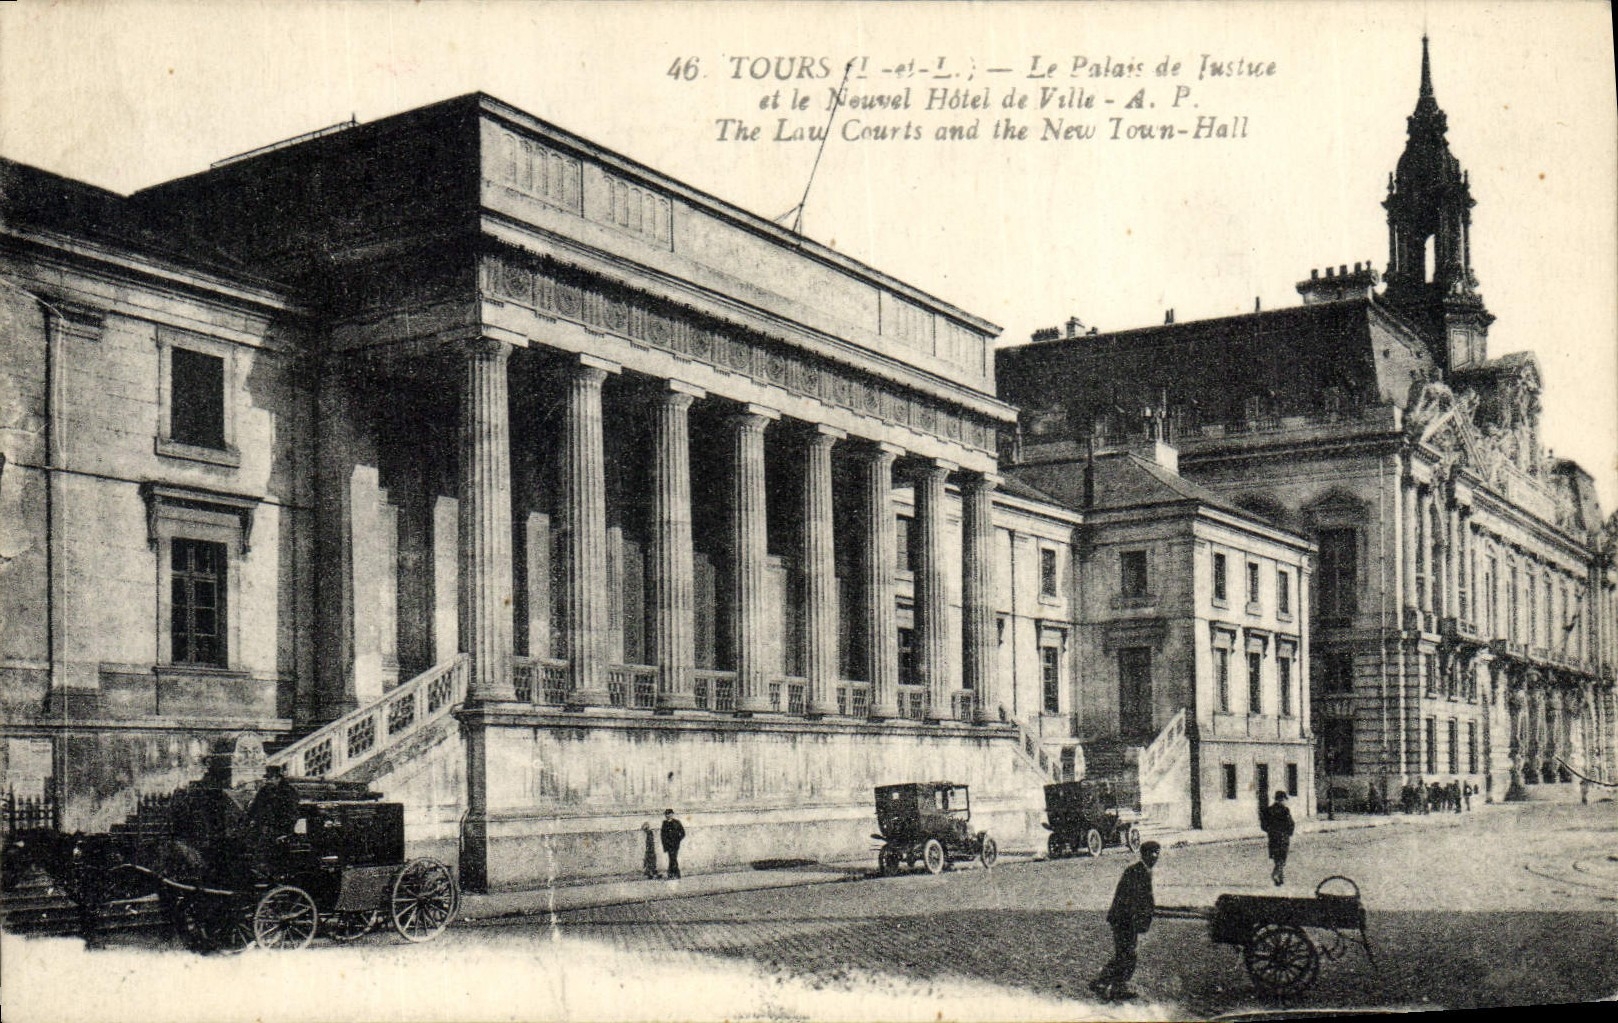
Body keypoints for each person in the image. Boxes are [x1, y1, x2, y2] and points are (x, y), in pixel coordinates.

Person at [1089, 840, 1160, 1001]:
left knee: (1126, 954)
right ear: (1143, 854)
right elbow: (1129, 900)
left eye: (1157, 852)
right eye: (1151, 853)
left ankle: (1113, 985)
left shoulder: (1143, 870)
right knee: (1127, 955)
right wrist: (1139, 919)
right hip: (1124, 920)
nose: (1155, 856)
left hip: (1127, 919)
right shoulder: (1136, 872)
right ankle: (1106, 983)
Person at [1259, 790, 1294, 886]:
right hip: (1283, 837)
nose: (1285, 801)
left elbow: (1263, 825)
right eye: (1284, 799)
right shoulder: (1285, 810)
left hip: (1272, 837)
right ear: (1282, 799)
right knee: (1282, 858)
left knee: (1276, 858)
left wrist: (1270, 831)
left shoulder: (1268, 810)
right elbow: (1291, 824)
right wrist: (1289, 833)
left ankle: (1280, 879)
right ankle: (1275, 874)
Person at [660, 808, 685, 879]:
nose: (668, 815)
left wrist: (678, 840)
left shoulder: (677, 822)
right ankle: (675, 874)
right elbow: (662, 835)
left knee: (672, 859)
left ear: (672, 814)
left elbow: (683, 833)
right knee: (672, 859)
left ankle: (673, 874)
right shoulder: (664, 823)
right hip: (668, 845)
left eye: (669, 814)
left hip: (675, 845)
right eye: (666, 814)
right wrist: (665, 844)